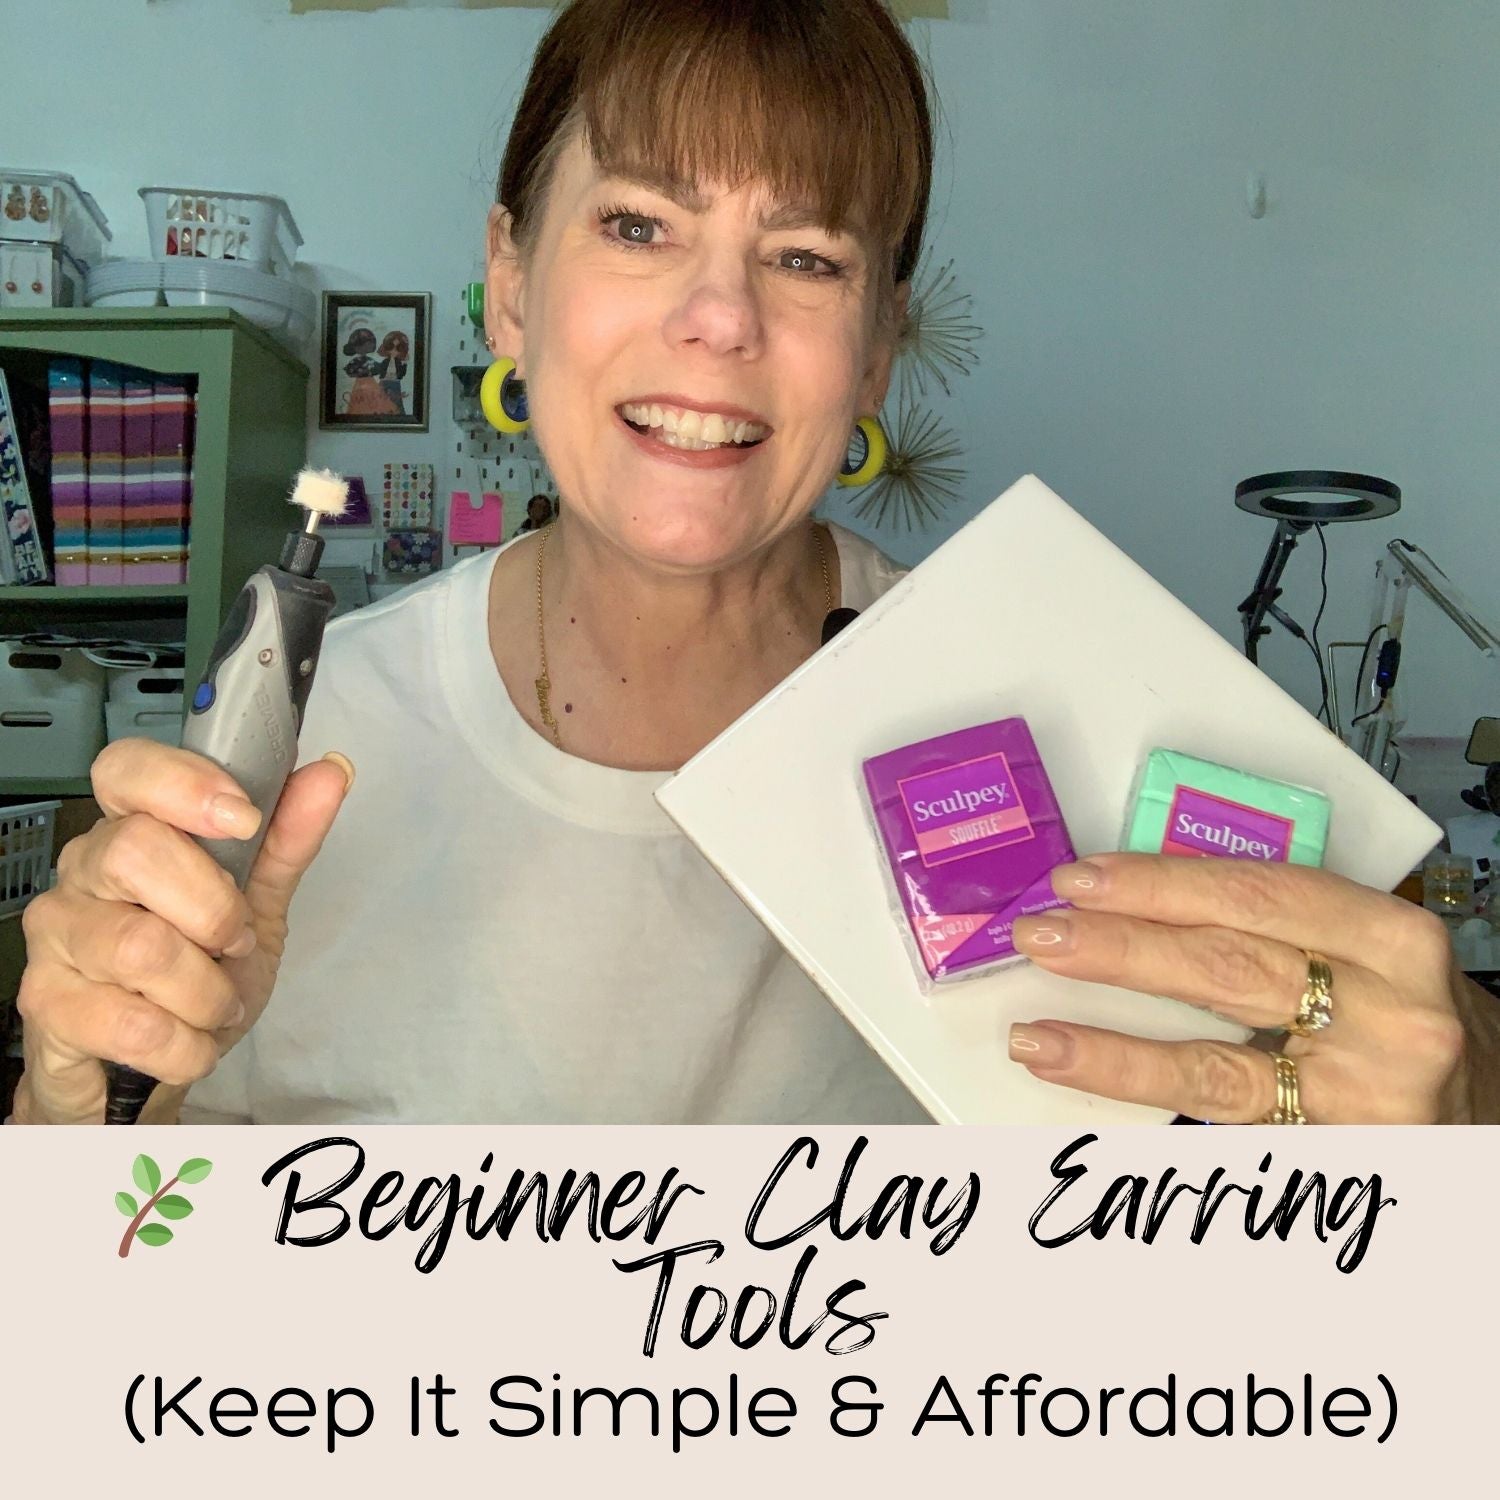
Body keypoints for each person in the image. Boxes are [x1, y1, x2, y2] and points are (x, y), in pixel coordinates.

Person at [11, 0, 1499, 1127]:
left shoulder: (1051, 721)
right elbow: (121, 1331)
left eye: (806, 256)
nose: (720, 318)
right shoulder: (303, 737)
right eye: (641, 223)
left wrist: (1452, 1112)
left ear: (876, 355)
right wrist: (70, 1103)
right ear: (514, 284)